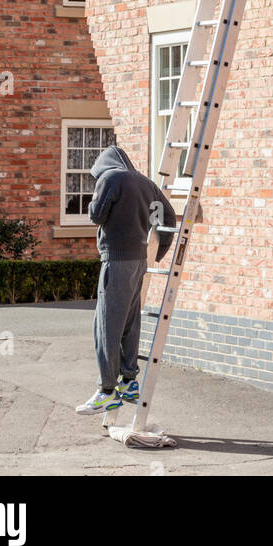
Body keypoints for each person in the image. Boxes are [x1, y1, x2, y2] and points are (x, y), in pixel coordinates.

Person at [75, 145, 176, 414]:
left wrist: (93, 200)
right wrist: (158, 253)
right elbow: (169, 218)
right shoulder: (146, 183)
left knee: (106, 325)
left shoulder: (110, 179)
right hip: (138, 261)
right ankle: (129, 381)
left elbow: (96, 215)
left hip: (116, 260)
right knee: (131, 321)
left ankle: (106, 390)